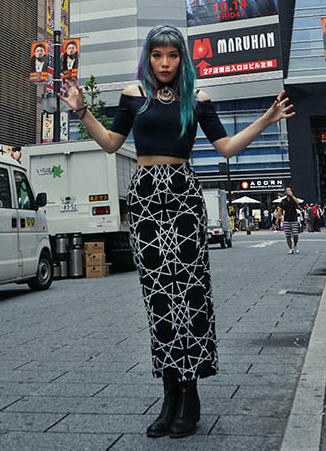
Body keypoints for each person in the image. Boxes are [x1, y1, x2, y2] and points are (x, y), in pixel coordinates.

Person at [59, 24, 294, 439]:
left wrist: (266, 118)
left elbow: (226, 147)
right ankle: (169, 395)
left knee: (191, 293)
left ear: (182, 59)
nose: (165, 63)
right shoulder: (133, 96)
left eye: (172, 55)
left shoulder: (197, 100)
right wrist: (81, 110)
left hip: (184, 196)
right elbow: (113, 143)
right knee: (158, 296)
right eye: (157, 55)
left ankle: (191, 393)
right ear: (148, 58)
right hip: (147, 198)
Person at [277, 187, 300, 254]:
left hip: (294, 219)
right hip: (286, 219)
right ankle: (290, 248)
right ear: (285, 192)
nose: (289, 191)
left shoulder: (293, 199)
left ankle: (295, 245)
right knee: (288, 235)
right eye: (288, 190)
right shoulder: (283, 200)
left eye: (290, 190)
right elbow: (280, 209)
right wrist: (278, 217)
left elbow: (298, 203)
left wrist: (292, 195)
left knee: (295, 235)